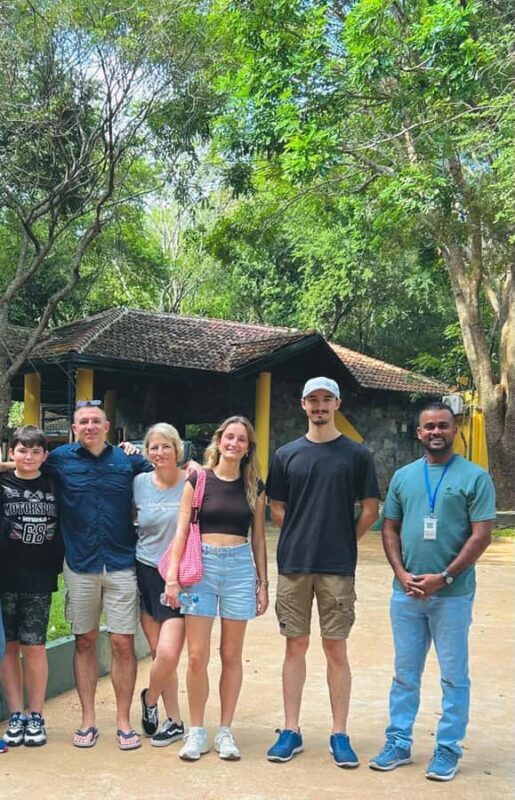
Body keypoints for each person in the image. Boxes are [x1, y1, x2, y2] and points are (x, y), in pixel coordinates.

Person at [369, 401, 495, 782]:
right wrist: (401, 572)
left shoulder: (475, 478)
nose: (435, 432)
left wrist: (445, 576)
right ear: (419, 433)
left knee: (454, 675)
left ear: (455, 429)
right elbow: (389, 527)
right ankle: (399, 742)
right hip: (405, 593)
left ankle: (447, 748)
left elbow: (482, 535)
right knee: (405, 674)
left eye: (443, 425)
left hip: (452, 596)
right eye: (428, 427)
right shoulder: (405, 477)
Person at [265, 377, 380, 767]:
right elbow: (276, 506)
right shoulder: (286, 454)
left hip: (337, 566)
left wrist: (344, 539)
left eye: (326, 400)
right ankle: (291, 729)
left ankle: (339, 733)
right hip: (294, 563)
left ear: (337, 404)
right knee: (294, 645)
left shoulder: (356, 454)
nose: (319, 407)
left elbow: (370, 509)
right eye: (312, 400)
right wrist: (301, 532)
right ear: (303, 405)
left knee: (336, 648)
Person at [43, 401, 152, 749]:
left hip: (122, 562)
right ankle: (88, 720)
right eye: (83, 422)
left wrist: (194, 466)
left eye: (95, 421)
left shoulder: (128, 461)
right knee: (84, 640)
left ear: (108, 426)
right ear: (74, 428)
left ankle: (123, 720)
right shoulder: (60, 460)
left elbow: (168, 472)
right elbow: (22, 467)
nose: (89, 426)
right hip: (80, 563)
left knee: (123, 642)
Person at [165, 415, 268, 762]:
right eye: (229, 437)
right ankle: (196, 730)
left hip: (239, 566)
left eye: (241, 440)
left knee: (231, 654)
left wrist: (262, 583)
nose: (234, 444)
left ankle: (225, 729)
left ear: (248, 447)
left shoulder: (255, 485)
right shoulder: (199, 479)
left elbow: (259, 539)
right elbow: (181, 531)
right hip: (201, 566)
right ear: (219, 440)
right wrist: (172, 577)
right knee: (196, 655)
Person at [0, 425, 63, 749]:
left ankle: (36, 713)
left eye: (35, 451)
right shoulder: (2, 482)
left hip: (39, 576)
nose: (28, 456)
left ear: (45, 455)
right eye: (22, 450)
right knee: (9, 646)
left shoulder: (54, 482)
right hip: (5, 576)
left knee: (34, 646)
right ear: (11, 452)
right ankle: (16, 714)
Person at [134, 423, 187, 747]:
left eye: (166, 446)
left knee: (168, 653)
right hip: (146, 569)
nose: (159, 452)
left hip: (179, 575)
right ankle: (176, 721)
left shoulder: (192, 480)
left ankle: (150, 699)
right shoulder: (139, 483)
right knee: (157, 652)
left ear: (177, 449)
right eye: (153, 447)